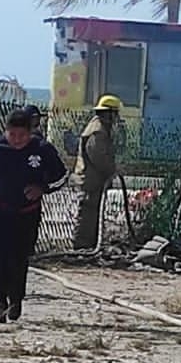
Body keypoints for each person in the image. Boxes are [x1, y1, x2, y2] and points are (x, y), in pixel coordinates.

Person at [0, 109, 67, 323]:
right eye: (12, 135)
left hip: (27, 214)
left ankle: (15, 299)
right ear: (6, 131)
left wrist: (43, 188)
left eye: (22, 135)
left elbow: (62, 175)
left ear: (30, 132)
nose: (17, 140)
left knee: (19, 257)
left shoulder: (42, 150)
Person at [71, 95, 121, 250]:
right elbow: (98, 156)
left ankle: (89, 247)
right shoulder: (97, 132)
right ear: (109, 113)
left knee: (92, 215)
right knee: (88, 216)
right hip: (90, 181)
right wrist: (111, 170)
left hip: (93, 180)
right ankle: (82, 248)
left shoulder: (99, 128)